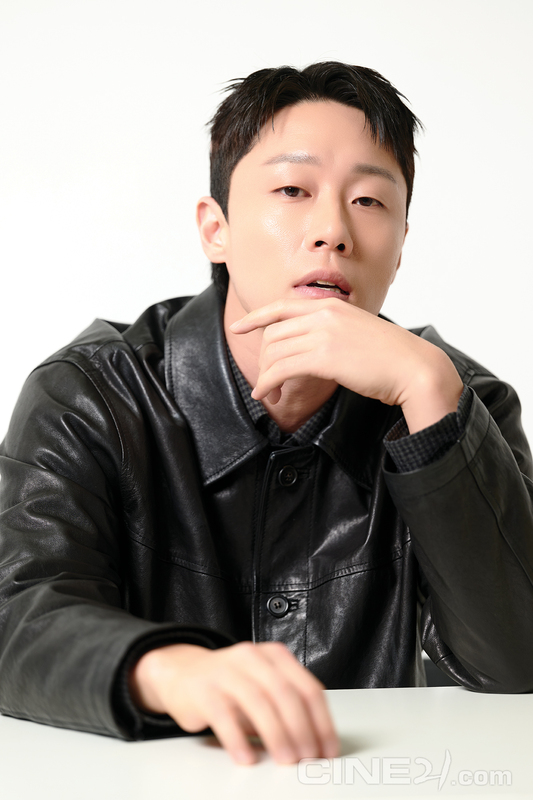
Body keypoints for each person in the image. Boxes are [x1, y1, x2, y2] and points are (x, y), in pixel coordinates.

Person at [1, 62, 533, 767]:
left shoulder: (458, 402)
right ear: (214, 229)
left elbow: (517, 660)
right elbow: (17, 614)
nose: (333, 231)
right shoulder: (92, 397)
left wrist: (430, 396)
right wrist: (167, 670)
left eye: (370, 200)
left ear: (401, 243)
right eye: (292, 190)